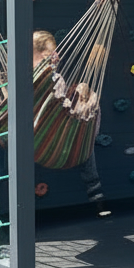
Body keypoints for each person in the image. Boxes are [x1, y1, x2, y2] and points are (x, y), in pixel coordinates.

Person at [32, 30, 104, 204]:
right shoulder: (53, 78)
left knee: (83, 131)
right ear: (40, 55)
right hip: (48, 132)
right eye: (51, 53)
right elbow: (59, 105)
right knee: (84, 130)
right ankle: (94, 188)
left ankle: (94, 187)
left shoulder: (21, 76)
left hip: (40, 132)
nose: (57, 56)